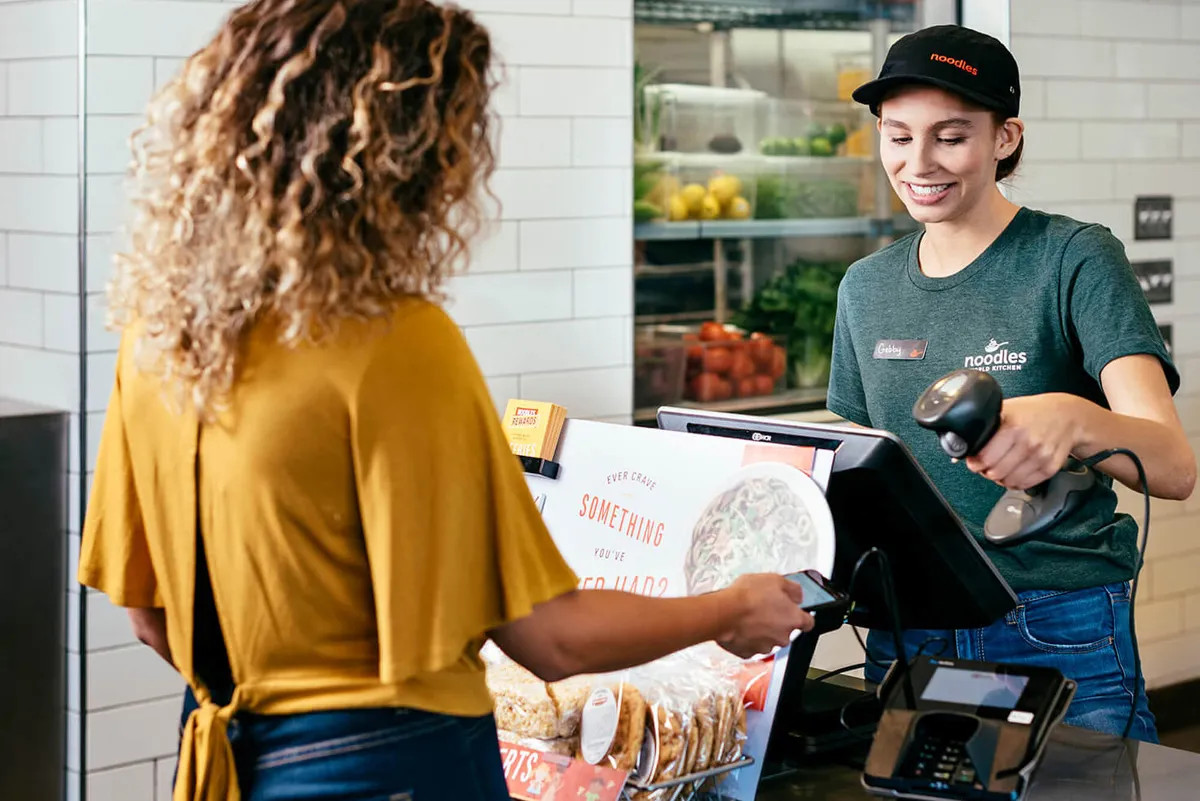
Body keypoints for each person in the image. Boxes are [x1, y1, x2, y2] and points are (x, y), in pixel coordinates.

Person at [76, 2, 815, 800]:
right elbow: (551, 639)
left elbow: (150, 617)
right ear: (402, 155)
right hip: (392, 765)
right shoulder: (395, 341)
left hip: (226, 757)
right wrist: (727, 607)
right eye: (461, 131)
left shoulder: (163, 335)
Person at [829, 24, 1195, 743]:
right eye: (898, 136)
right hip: (911, 629)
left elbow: (1174, 467)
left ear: (1005, 137)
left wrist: (1074, 419)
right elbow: (856, 457)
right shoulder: (864, 287)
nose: (918, 163)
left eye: (951, 136)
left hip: (1054, 619)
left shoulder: (1073, 259)